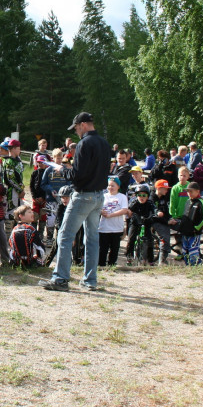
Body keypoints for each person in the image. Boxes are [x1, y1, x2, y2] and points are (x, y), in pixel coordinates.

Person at [39, 112, 113, 292]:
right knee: (92, 239)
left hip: (83, 195)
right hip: (98, 195)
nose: (76, 132)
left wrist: (63, 170)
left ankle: (61, 279)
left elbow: (77, 175)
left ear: (83, 124)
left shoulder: (84, 144)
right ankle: (90, 280)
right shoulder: (104, 143)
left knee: (64, 235)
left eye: (77, 128)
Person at [98, 176, 129, 267]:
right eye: (109, 186)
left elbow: (124, 210)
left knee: (114, 248)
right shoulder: (103, 196)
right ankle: (101, 265)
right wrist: (101, 211)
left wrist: (111, 215)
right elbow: (97, 208)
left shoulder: (122, 197)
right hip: (104, 227)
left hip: (117, 227)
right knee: (103, 248)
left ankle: (112, 264)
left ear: (118, 186)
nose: (110, 188)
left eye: (113, 186)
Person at [179, 182, 203, 265]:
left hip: (194, 233)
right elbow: (184, 216)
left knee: (193, 251)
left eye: (191, 191)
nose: (189, 193)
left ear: (197, 191)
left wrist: (196, 228)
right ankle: (188, 266)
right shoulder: (188, 201)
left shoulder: (200, 202)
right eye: (188, 191)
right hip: (185, 232)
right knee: (185, 251)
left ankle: (196, 267)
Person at [125, 183, 154, 265]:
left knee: (150, 240)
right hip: (135, 222)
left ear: (147, 196)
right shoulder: (134, 203)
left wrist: (155, 214)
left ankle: (150, 259)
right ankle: (129, 256)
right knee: (131, 239)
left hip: (146, 222)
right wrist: (129, 212)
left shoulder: (150, 203)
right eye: (139, 195)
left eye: (144, 195)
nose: (141, 197)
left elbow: (154, 210)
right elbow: (129, 210)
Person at [150, 179, 173, 265]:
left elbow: (166, 211)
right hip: (154, 221)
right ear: (159, 188)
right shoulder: (152, 198)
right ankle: (162, 261)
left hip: (163, 220)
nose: (167, 190)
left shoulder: (164, 198)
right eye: (165, 188)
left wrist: (170, 218)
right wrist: (167, 222)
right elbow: (155, 214)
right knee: (165, 237)